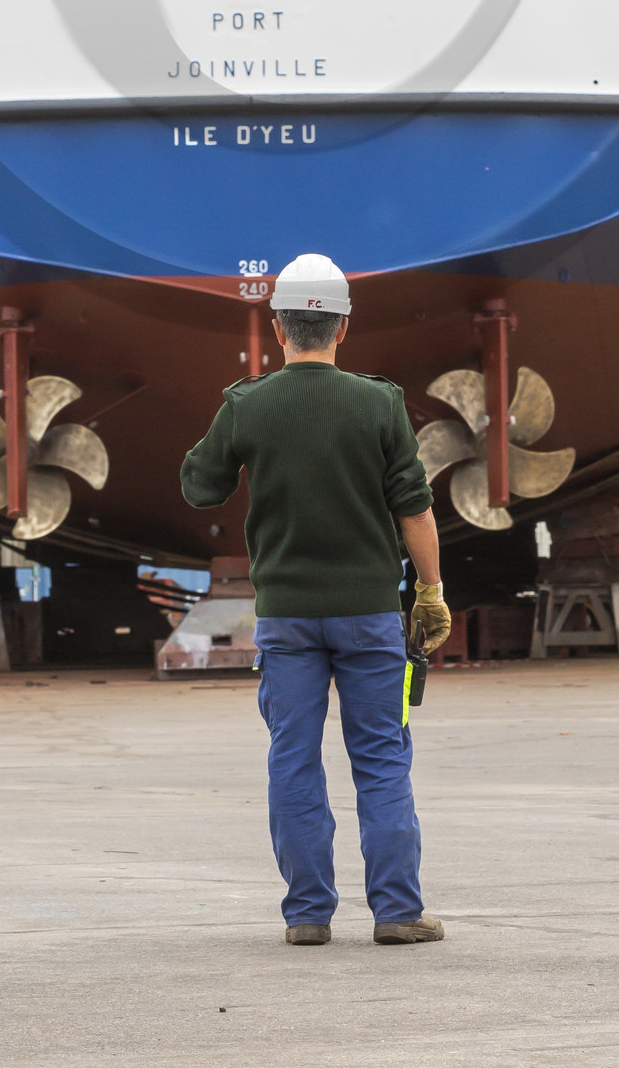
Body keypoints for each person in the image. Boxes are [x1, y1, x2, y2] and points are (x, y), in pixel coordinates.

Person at [180, 253, 453, 947]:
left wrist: (236, 431)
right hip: (370, 621)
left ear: (278, 327)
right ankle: (397, 912)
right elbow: (416, 511)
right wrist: (430, 592)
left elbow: (200, 486)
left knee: (293, 759)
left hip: (286, 623)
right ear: (342, 329)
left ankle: (307, 914)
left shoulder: (248, 404)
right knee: (383, 758)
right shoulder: (379, 402)